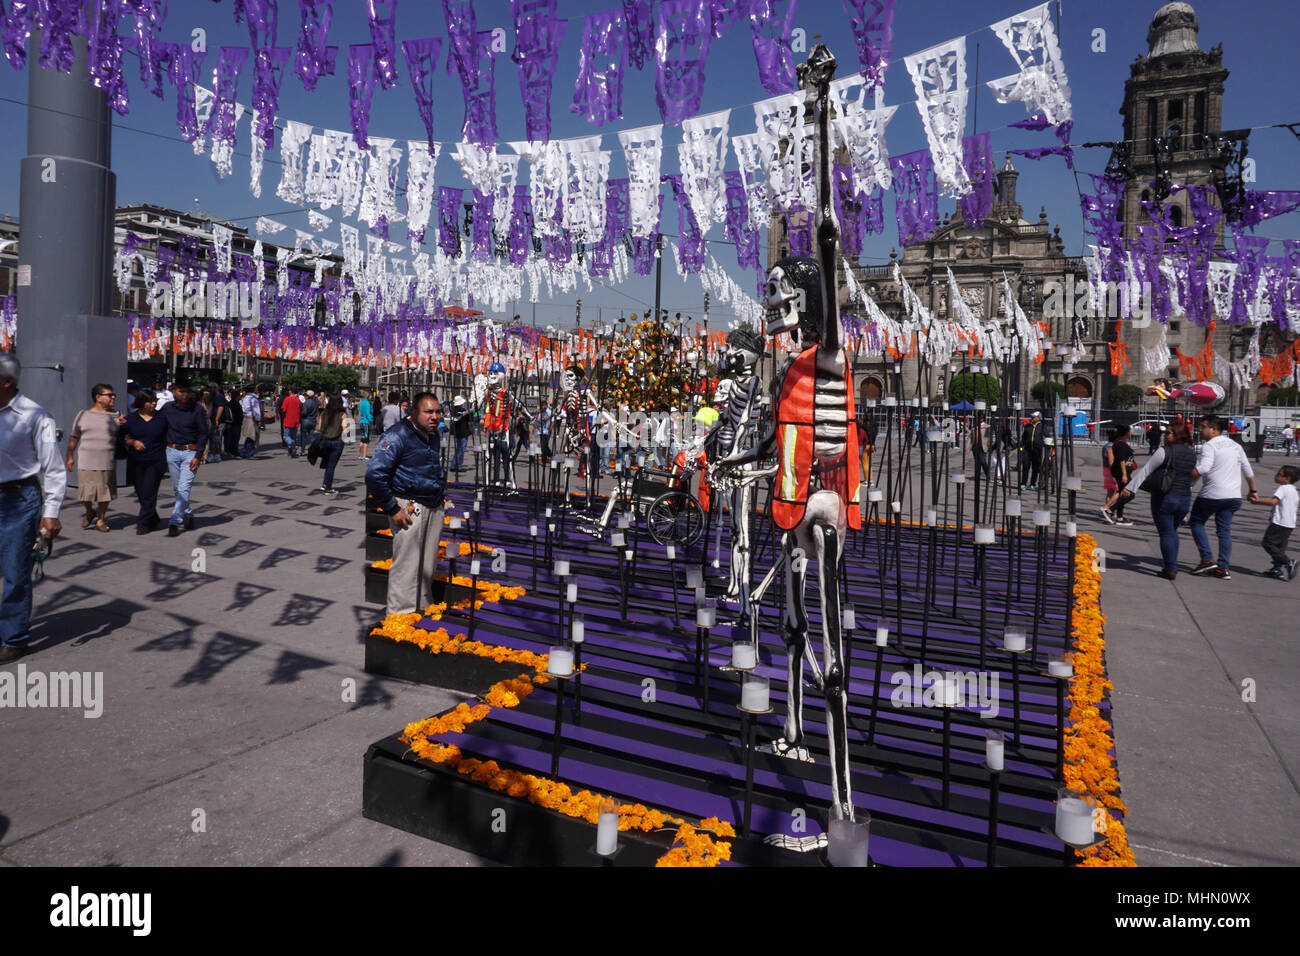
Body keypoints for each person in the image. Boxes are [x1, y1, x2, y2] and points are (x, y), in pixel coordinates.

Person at [0, 354, 66, 662]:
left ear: (7, 382)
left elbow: (52, 468)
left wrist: (50, 512)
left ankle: (14, 637)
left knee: (15, 572)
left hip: (19, 500)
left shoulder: (35, 415)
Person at [365, 394, 447, 616]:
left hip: (433, 502)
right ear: (414, 413)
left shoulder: (433, 435)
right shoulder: (397, 435)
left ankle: (423, 604)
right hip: (409, 504)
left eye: (438, 412)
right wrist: (392, 508)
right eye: (428, 412)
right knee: (408, 562)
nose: (434, 417)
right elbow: (374, 474)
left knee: (428, 561)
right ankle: (401, 613)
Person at [1122, 421, 1199, 580]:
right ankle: (1172, 564)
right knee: (1172, 531)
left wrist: (1129, 489)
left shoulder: (1165, 451)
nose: (1165, 436)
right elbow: (1194, 476)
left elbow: (1146, 471)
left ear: (1177, 435)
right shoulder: (1192, 454)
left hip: (1165, 496)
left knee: (1166, 532)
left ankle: (1170, 568)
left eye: (1169, 433)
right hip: (1184, 498)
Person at [1187, 414, 1257, 580]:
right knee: (1224, 531)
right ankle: (1223, 567)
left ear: (1214, 429)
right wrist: (1253, 490)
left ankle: (1206, 559)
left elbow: (1203, 468)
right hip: (1233, 496)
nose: (1200, 429)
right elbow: (1247, 469)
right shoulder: (1235, 446)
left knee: (1196, 523)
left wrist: (1183, 477)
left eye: (1203, 426)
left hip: (1212, 495)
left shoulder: (1210, 446)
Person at [65, 383, 123, 533]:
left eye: (113, 394)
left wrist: (124, 425)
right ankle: (89, 511)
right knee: (87, 492)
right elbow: (74, 437)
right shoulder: (83, 414)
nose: (113, 397)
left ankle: (101, 519)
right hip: (86, 459)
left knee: (105, 492)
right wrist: (69, 456)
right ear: (98, 397)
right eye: (109, 395)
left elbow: (124, 435)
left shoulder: (116, 415)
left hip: (106, 459)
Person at [160, 383, 209, 536]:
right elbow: (157, 424)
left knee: (183, 488)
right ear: (173, 391)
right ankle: (187, 513)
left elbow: (203, 433)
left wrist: (198, 456)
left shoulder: (197, 409)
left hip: (190, 452)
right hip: (172, 451)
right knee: (177, 488)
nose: (185, 395)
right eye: (181, 391)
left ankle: (174, 521)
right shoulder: (167, 408)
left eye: (187, 392)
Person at [120, 388, 168, 534]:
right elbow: (122, 437)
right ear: (142, 403)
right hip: (136, 461)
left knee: (149, 492)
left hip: (156, 461)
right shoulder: (130, 419)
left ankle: (144, 524)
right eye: (150, 401)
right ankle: (153, 517)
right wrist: (132, 442)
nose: (153, 404)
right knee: (141, 492)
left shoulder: (162, 418)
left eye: (155, 401)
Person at [1247, 465, 1298, 581]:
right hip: (1289, 524)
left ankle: (1289, 562)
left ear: (1287, 478)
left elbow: (1273, 501)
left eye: (1279, 474)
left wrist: (1256, 501)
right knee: (1280, 547)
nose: (1276, 476)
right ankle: (1277, 569)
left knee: (1268, 543)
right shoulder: (1294, 490)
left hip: (1279, 522)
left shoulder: (1283, 488)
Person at [1100, 425, 1136, 526]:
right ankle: (1109, 509)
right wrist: (1124, 474)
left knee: (1121, 493)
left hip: (1123, 472)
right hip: (1122, 473)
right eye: (1130, 430)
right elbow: (1121, 460)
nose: (1131, 432)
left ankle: (1119, 517)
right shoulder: (1120, 444)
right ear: (1126, 432)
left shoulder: (1121, 443)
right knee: (1130, 494)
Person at [1019, 411, 1047, 490]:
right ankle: (1023, 483)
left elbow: (1047, 435)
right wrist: (1021, 447)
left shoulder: (1042, 426)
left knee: (1036, 467)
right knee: (1025, 466)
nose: (1032, 418)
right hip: (1027, 449)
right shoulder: (1028, 426)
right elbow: (1024, 437)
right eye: (1031, 417)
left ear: (1038, 418)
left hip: (1037, 450)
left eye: (1033, 417)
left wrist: (1049, 443)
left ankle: (1032, 484)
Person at [208, 381, 228, 463]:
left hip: (219, 421)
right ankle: (214, 453)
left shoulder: (218, 396)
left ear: (214, 388)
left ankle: (216, 454)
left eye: (210, 387)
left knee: (216, 437)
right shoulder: (214, 396)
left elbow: (220, 407)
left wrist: (216, 419)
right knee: (214, 437)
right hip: (216, 420)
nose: (209, 389)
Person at [239, 385, 261, 458]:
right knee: (253, 436)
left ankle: (244, 451)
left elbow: (243, 408)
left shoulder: (245, 397)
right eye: (256, 388)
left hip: (246, 417)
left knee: (250, 435)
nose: (257, 390)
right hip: (252, 418)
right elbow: (256, 410)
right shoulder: (253, 398)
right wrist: (258, 420)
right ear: (253, 389)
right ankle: (249, 453)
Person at [281, 388, 302, 457]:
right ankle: (290, 451)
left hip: (288, 420)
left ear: (290, 391)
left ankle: (292, 444)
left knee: (286, 436)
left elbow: (283, 410)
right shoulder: (298, 400)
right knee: (293, 436)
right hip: (296, 420)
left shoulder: (287, 399)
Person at [357, 389, 374, 461]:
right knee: (366, 439)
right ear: (368, 395)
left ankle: (361, 455)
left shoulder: (361, 402)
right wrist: (371, 422)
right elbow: (368, 414)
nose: (371, 396)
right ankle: (364, 455)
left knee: (362, 439)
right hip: (367, 422)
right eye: (371, 395)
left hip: (361, 421)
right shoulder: (367, 403)